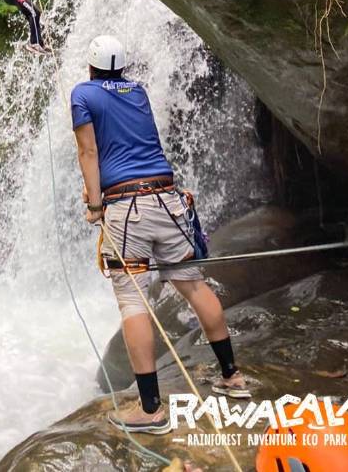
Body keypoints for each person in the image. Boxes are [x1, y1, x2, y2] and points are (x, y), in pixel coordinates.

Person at [71, 35, 252, 435]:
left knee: (133, 301)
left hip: (127, 209)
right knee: (192, 284)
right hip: (167, 201)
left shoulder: (82, 93)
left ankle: (150, 409)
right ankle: (232, 377)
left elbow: (89, 152)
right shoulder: (137, 91)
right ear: (121, 67)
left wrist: (95, 204)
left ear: (90, 67)